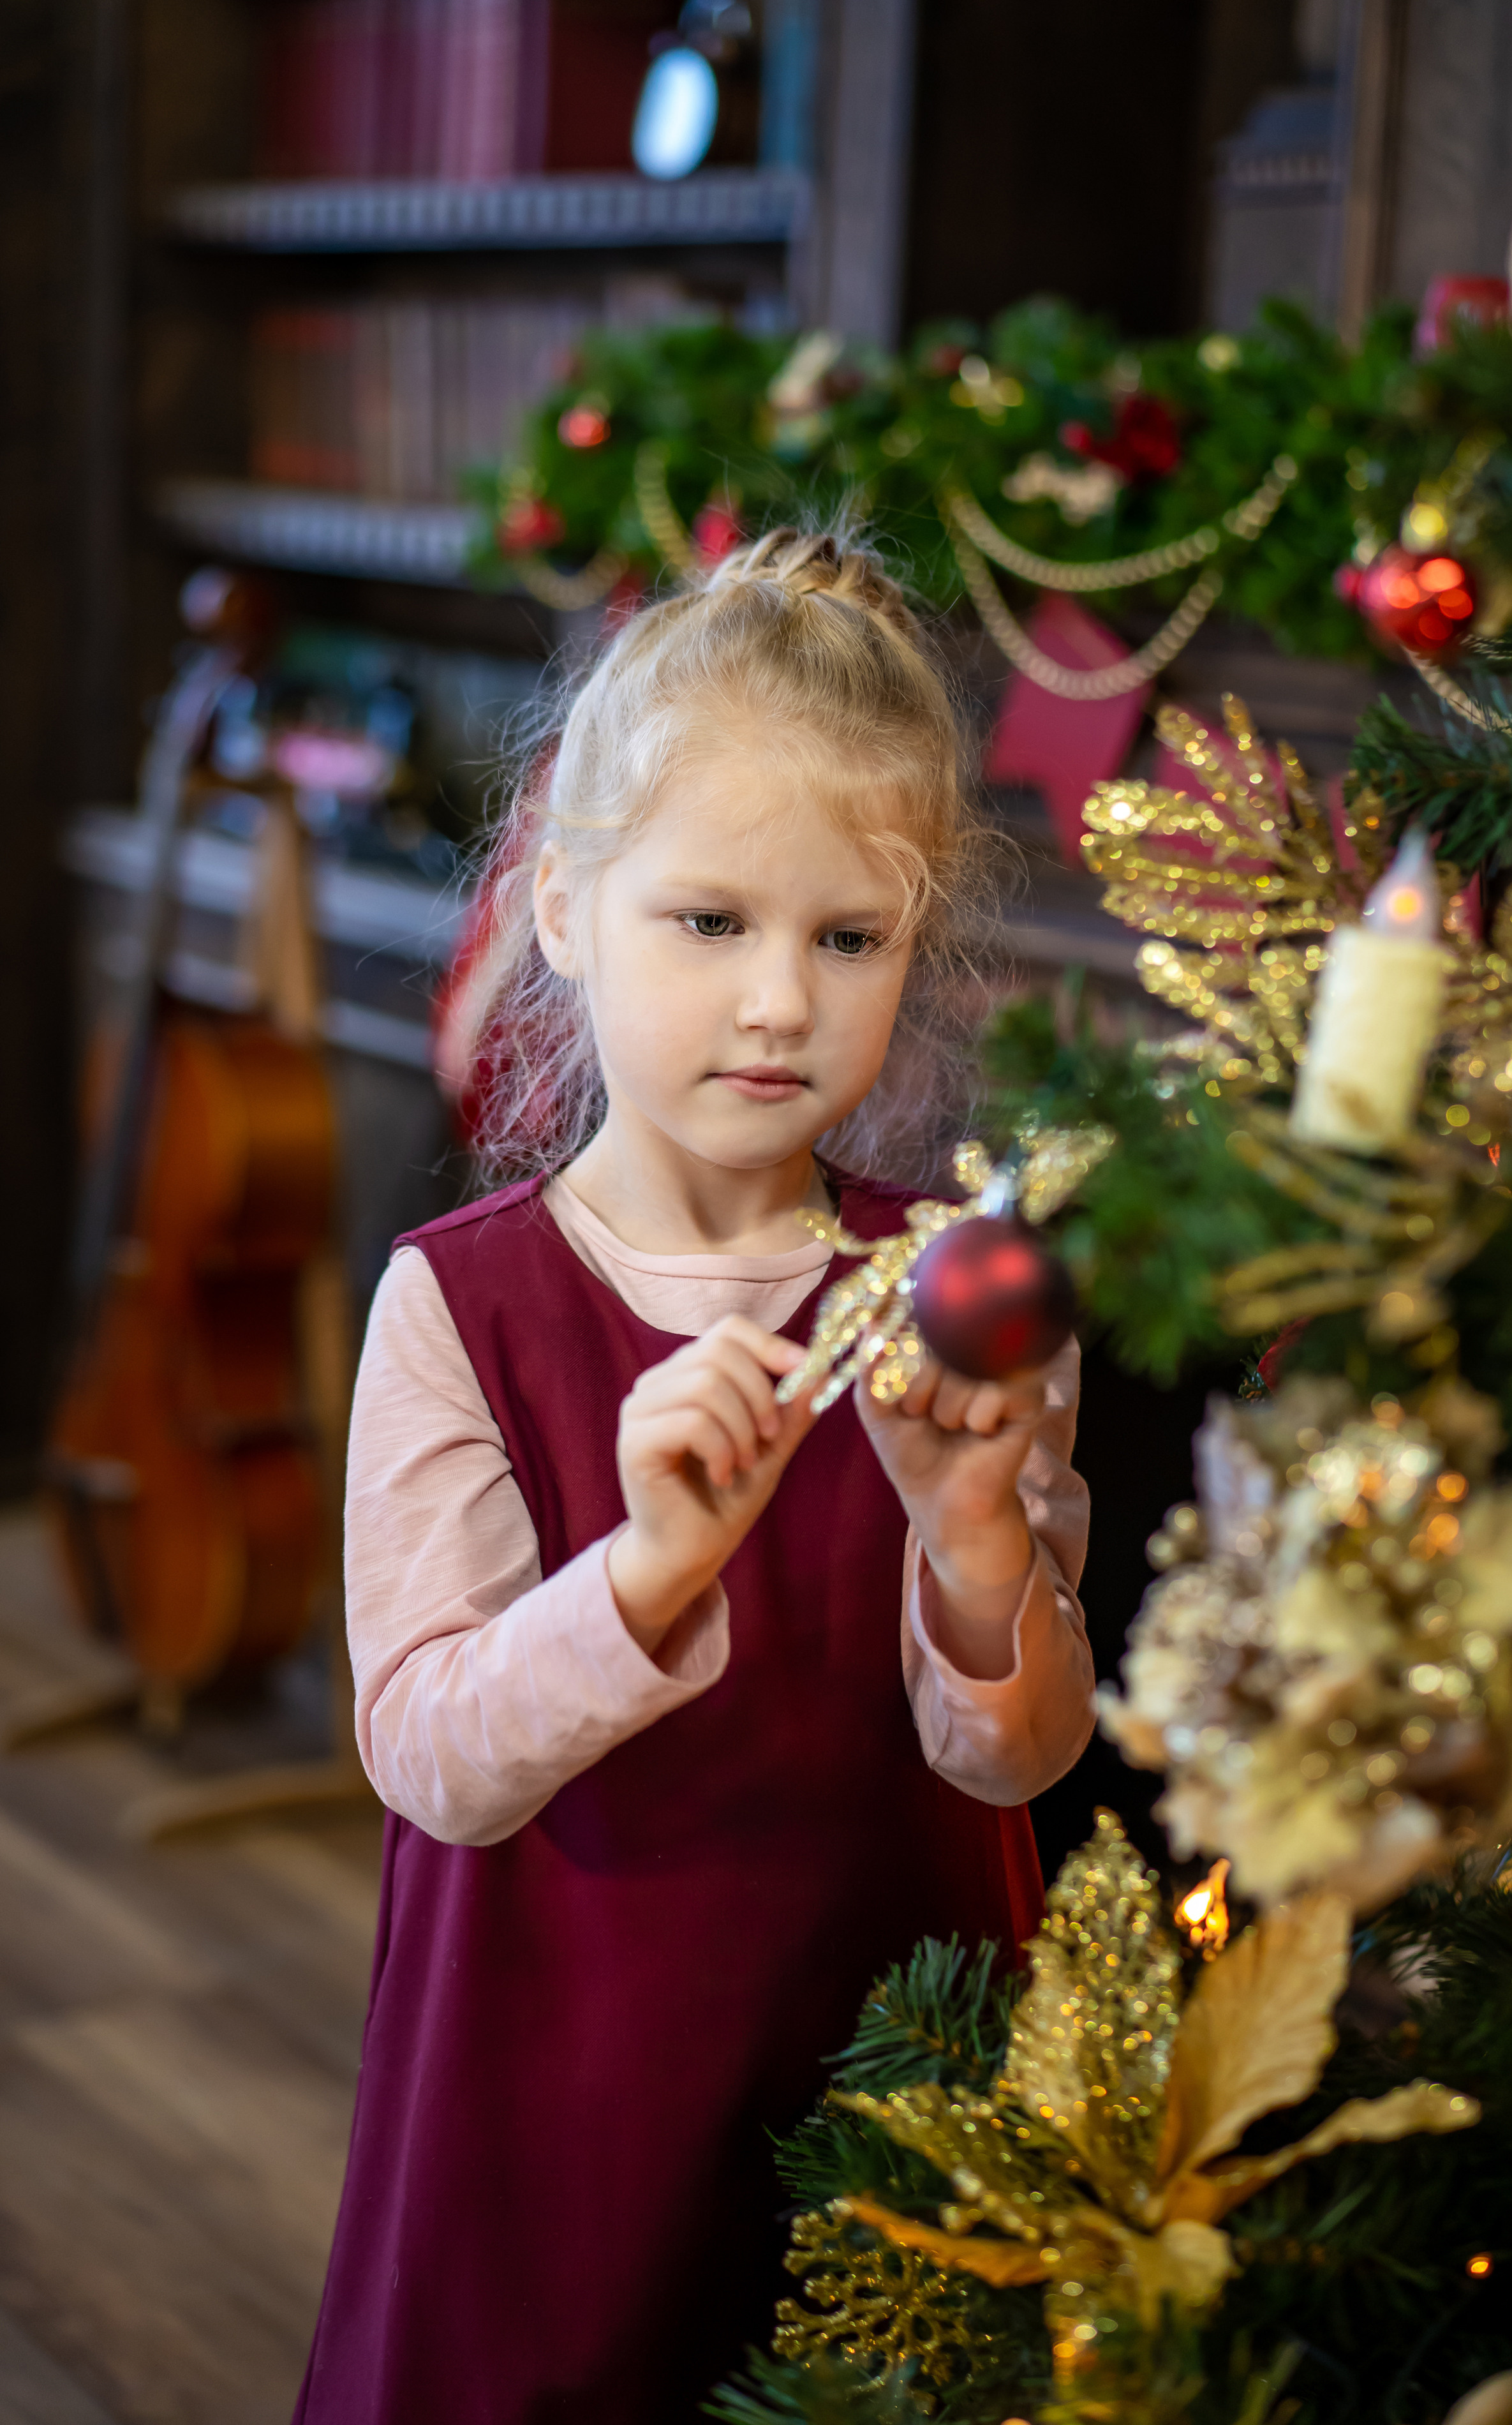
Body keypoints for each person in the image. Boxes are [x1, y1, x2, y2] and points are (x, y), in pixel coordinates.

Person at [294, 530, 1097, 2425]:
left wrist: (979, 1547)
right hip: (555, 2081)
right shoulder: (463, 1309)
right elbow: (430, 1755)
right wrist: (647, 1571)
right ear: (565, 907)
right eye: (709, 922)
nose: (776, 1005)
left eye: (848, 940)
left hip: (894, 2066)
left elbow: (1022, 1754)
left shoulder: (966, 1295)